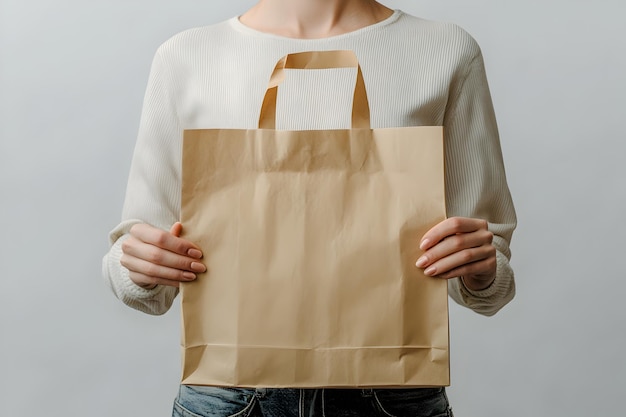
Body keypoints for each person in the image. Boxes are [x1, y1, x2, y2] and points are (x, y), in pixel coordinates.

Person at [103, 0, 517, 415]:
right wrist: (137, 266)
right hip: (229, 394)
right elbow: (137, 260)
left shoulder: (446, 49)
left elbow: (488, 263)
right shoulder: (186, 55)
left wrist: (481, 271)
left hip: (392, 393)